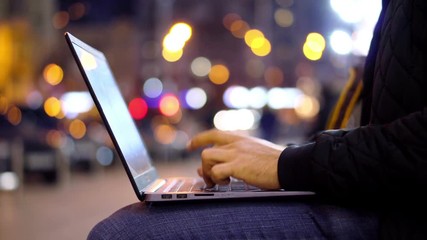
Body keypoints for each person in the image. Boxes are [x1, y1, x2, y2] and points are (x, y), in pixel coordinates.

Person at [87, 0, 427, 239]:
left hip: (398, 216)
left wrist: (288, 163)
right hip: (384, 199)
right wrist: (284, 156)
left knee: (121, 233)